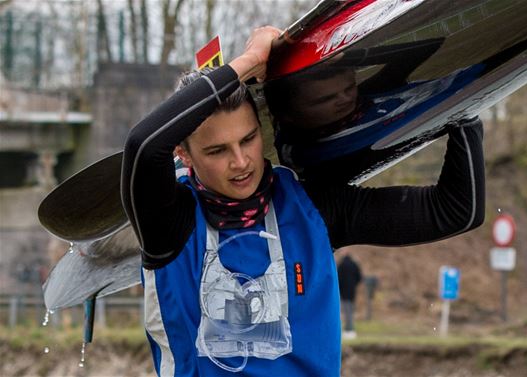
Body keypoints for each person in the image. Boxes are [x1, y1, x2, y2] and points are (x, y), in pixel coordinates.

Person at [121, 26, 485, 376]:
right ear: (184, 155)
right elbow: (143, 145)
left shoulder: (313, 209)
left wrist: (466, 103)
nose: (240, 161)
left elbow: (455, 211)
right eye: (218, 150)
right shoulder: (168, 223)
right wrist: (250, 60)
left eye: (248, 140)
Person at [337, 249, 362, 340]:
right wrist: (354, 285)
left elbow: (337, 279)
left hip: (343, 292)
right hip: (352, 291)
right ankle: (350, 330)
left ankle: (348, 330)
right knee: (350, 311)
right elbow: (359, 277)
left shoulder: (341, 265)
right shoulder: (354, 264)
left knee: (345, 311)